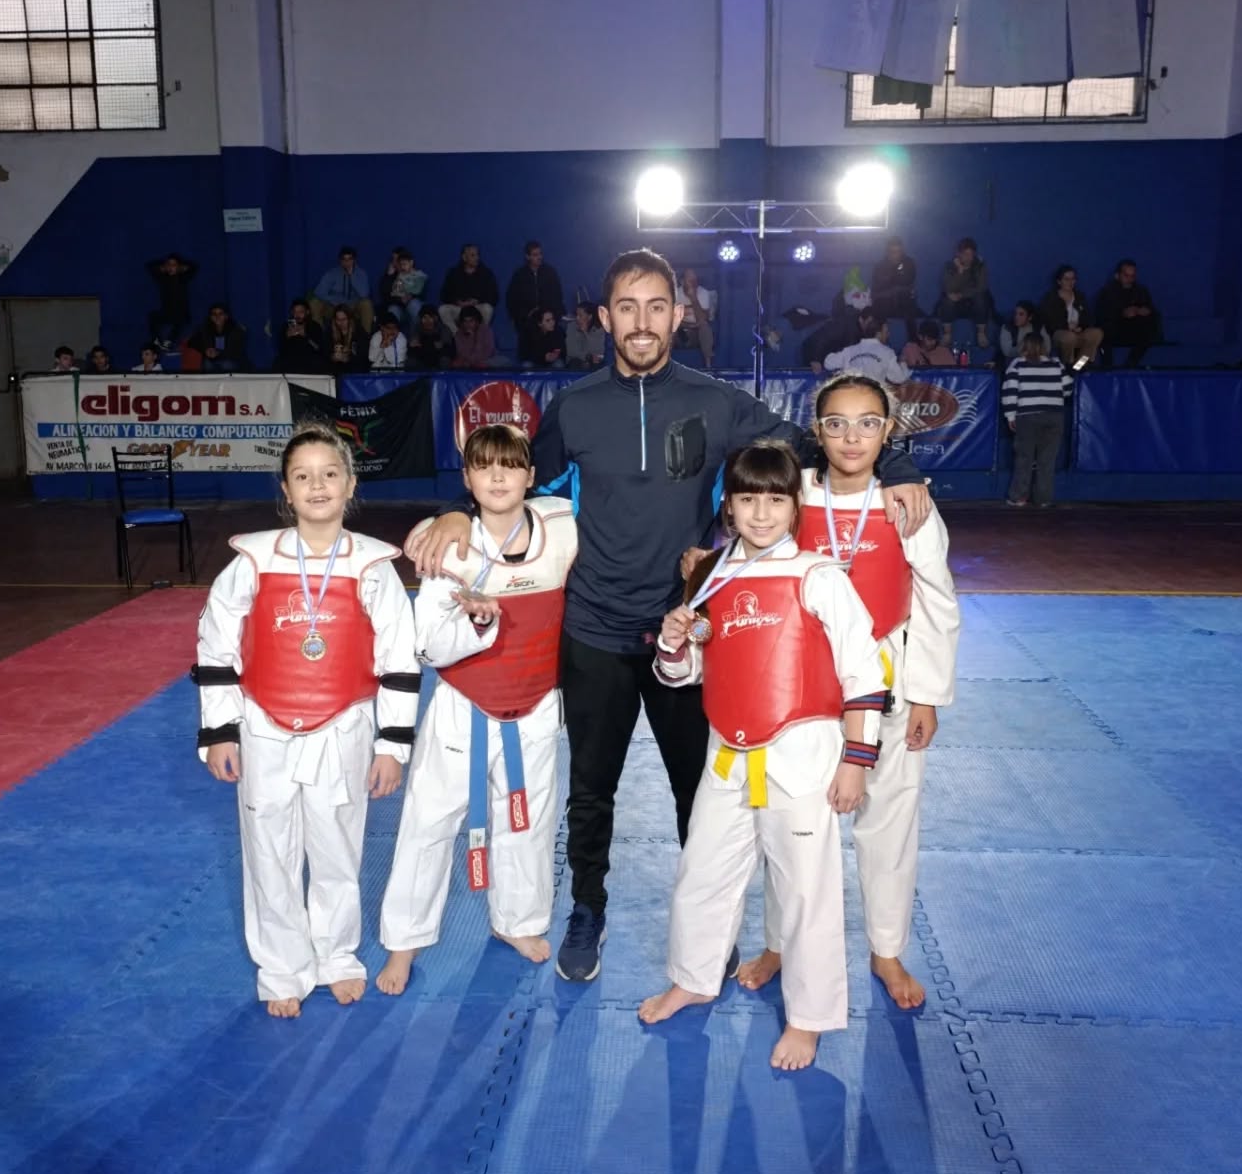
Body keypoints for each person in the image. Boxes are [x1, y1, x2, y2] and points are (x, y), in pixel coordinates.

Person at [406, 248, 932, 983]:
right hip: (594, 629)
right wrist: (457, 513)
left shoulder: (717, 402)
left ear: (679, 315)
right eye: (627, 308)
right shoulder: (576, 407)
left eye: (657, 306)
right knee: (591, 790)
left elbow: (817, 442)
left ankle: (709, 927)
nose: (642, 322)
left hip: (688, 631)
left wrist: (899, 467)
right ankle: (587, 908)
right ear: (604, 317)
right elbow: (511, 482)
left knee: (700, 791)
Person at [638, 441, 888, 1070]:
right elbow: (686, 674)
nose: (760, 513)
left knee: (805, 890)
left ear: (795, 506)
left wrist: (856, 761)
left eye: (775, 500)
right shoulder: (712, 575)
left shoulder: (818, 576)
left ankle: (809, 1017)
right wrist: (673, 645)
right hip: (727, 751)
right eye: (747, 499)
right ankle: (694, 977)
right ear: (728, 506)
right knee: (702, 872)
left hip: (802, 754)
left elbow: (865, 672)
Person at [737, 374, 960, 1014]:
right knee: (791, 818)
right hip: (804, 677)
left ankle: (886, 949)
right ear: (817, 432)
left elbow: (938, 601)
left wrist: (926, 695)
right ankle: (779, 941)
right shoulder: (794, 493)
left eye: (868, 424)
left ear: (888, 432)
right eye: (836, 423)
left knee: (890, 818)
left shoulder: (906, 503)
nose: (852, 437)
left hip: (888, 675)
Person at [193, 422, 419, 1017]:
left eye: (330, 474)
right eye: (303, 476)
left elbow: (399, 658)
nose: (317, 486)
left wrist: (392, 744)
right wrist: (220, 732)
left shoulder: (373, 566)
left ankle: (337, 958)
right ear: (286, 491)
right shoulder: (252, 561)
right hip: (262, 725)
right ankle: (282, 968)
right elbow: (216, 645)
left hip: (344, 726)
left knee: (338, 849)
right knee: (268, 851)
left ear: (350, 485)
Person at [378, 424, 578, 994]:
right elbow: (428, 646)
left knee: (528, 821)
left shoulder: (562, 528)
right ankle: (404, 941)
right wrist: (477, 621)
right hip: (463, 706)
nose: (497, 477)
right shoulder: (443, 545)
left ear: (531, 476)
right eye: (483, 466)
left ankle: (518, 921)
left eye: (510, 465)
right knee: (428, 822)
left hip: (536, 702)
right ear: (465, 479)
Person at [1003, 330, 1074, 507]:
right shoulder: (1056, 364)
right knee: (1047, 461)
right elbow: (1068, 389)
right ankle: (1043, 499)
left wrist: (1010, 416)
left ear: (1024, 346)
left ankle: (1019, 497)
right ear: (1044, 347)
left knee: (1024, 459)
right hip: (1054, 416)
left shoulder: (1017, 364)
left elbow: (1010, 391)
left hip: (1027, 416)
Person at [1094, 260, 1161, 369]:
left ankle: (1130, 365)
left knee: (1148, 329)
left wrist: (1145, 311)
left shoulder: (1141, 291)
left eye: (1132, 276)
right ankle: (1105, 368)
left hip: (1134, 329)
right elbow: (1101, 315)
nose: (1130, 279)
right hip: (1113, 329)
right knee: (1099, 335)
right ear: (1117, 275)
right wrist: (1122, 313)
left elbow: (1151, 309)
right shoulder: (1107, 292)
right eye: (1126, 275)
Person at [506, 241, 566, 359]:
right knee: (527, 359)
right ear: (527, 256)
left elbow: (557, 296)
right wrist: (524, 314)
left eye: (540, 254)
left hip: (548, 316)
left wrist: (549, 313)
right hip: (527, 318)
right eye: (535, 255)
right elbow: (512, 299)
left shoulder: (550, 273)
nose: (539, 257)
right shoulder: (519, 275)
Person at [1039, 265, 1104, 369]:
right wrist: (1067, 326)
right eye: (1066, 279)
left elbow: (1088, 318)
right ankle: (1067, 366)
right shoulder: (1051, 298)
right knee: (1069, 337)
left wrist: (1081, 327)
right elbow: (1049, 321)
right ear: (1059, 281)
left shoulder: (1079, 296)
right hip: (1059, 334)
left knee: (1096, 333)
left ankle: (1079, 366)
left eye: (1073, 279)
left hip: (1078, 332)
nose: (1070, 282)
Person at [936, 237, 992, 352]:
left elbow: (981, 287)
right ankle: (947, 334)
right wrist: (960, 271)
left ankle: (981, 333)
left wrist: (962, 294)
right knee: (947, 300)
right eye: (965, 254)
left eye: (971, 254)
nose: (969, 258)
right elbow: (948, 288)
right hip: (956, 304)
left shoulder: (979, 265)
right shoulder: (949, 266)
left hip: (972, 302)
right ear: (958, 254)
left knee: (981, 298)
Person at [823, 315, 909, 383]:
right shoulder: (887, 352)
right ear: (878, 334)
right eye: (886, 332)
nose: (888, 334)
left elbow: (828, 363)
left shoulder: (849, 350)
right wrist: (903, 362)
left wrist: (842, 357)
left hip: (851, 396)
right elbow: (899, 378)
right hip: (873, 397)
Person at [439, 244, 499, 337]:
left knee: (487, 309)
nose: (477, 258)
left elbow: (493, 295)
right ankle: (458, 337)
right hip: (459, 308)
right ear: (464, 257)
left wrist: (477, 301)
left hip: (476, 308)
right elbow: (444, 294)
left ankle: (479, 336)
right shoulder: (453, 273)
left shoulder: (486, 273)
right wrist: (457, 302)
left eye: (477, 255)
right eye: (473, 255)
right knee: (443, 310)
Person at [312, 247, 373, 338]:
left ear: (354, 260)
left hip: (353, 307)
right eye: (344, 259)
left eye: (350, 259)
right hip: (334, 306)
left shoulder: (361, 274)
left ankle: (365, 338)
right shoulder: (332, 273)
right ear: (340, 261)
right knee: (315, 303)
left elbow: (364, 294)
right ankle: (320, 337)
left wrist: (352, 276)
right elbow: (318, 292)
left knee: (366, 304)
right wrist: (334, 300)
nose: (347, 262)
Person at [870, 237, 919, 342]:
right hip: (886, 302)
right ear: (888, 252)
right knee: (879, 306)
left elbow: (907, 280)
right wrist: (895, 278)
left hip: (903, 301)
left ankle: (913, 343)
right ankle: (880, 343)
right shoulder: (880, 266)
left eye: (899, 252)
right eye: (893, 252)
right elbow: (880, 286)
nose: (896, 255)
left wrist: (894, 281)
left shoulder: (909, 263)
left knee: (909, 303)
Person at [147, 252, 197, 351]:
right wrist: (162, 266)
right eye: (169, 265)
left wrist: (183, 268)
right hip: (167, 312)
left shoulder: (183, 278)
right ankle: (156, 341)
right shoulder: (162, 278)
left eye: (174, 265)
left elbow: (194, 266)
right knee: (152, 316)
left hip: (181, 313)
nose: (171, 267)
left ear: (179, 266)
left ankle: (168, 342)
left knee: (181, 320)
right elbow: (149, 266)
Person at [186, 304, 249, 372]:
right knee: (207, 364)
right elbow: (191, 342)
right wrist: (205, 350)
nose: (217, 317)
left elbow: (236, 351)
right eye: (214, 314)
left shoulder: (235, 329)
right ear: (210, 317)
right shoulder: (205, 328)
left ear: (226, 316)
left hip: (230, 360)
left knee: (226, 365)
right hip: (212, 360)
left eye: (220, 314)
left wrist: (219, 353)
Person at [675, 267, 716, 369]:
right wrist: (686, 325)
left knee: (705, 328)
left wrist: (693, 298)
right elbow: (671, 318)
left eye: (695, 278)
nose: (693, 281)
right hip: (680, 328)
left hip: (697, 330)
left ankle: (708, 364)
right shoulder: (675, 294)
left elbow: (703, 319)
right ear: (682, 281)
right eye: (689, 278)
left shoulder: (703, 293)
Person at [378, 248, 428, 329]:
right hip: (398, 307)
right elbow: (386, 296)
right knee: (393, 310)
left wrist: (410, 296)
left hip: (412, 305)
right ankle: (393, 336)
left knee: (414, 305)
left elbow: (420, 292)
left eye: (397, 260)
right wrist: (389, 276)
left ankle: (415, 336)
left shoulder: (417, 275)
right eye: (393, 260)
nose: (395, 263)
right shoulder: (391, 276)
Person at [277, 300, 328, 376]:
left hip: (309, 362)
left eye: (301, 312)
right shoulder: (286, 326)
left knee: (318, 362)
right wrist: (287, 337)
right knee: (278, 362)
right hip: (291, 362)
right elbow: (281, 350)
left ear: (307, 312)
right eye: (295, 312)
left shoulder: (314, 326)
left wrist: (305, 336)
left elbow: (318, 348)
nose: (297, 315)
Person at [407, 306, 453, 370]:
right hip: (421, 360)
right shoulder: (416, 329)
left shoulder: (444, 329)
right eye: (424, 317)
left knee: (445, 359)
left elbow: (448, 346)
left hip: (438, 360)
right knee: (411, 361)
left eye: (430, 317)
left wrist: (442, 344)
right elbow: (413, 344)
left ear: (436, 318)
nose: (427, 321)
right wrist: (412, 344)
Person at [565, 300, 607, 370]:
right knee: (575, 363)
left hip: (593, 361)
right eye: (576, 315)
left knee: (598, 365)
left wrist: (586, 333)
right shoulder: (571, 327)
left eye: (580, 315)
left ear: (589, 317)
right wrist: (587, 357)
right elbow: (571, 351)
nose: (577, 318)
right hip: (576, 360)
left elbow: (598, 350)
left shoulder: (598, 329)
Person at [327, 303, 368, 373]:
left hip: (354, 368)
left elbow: (362, 355)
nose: (341, 323)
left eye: (344, 319)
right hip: (335, 369)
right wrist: (333, 357)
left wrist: (347, 358)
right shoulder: (329, 331)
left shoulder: (359, 331)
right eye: (338, 320)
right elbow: (325, 351)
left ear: (350, 319)